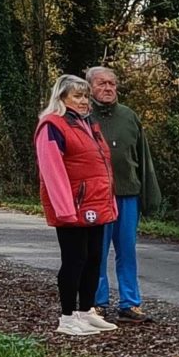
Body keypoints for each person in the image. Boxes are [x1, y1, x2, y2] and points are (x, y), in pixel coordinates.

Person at [34, 74, 119, 339]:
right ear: (62, 98)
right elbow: (52, 170)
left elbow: (101, 165)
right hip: (73, 204)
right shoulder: (52, 125)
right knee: (74, 259)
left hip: (96, 202)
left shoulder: (88, 123)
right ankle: (67, 316)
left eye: (85, 96)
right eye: (77, 96)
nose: (83, 101)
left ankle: (85, 310)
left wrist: (109, 201)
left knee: (95, 257)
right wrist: (65, 208)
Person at [87, 62, 164, 324]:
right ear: (90, 87)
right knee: (96, 251)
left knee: (127, 250)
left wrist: (150, 195)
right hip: (96, 196)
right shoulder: (82, 116)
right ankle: (96, 302)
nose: (108, 88)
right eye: (102, 83)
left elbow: (143, 157)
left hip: (128, 193)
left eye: (112, 83)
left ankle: (130, 303)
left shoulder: (129, 116)